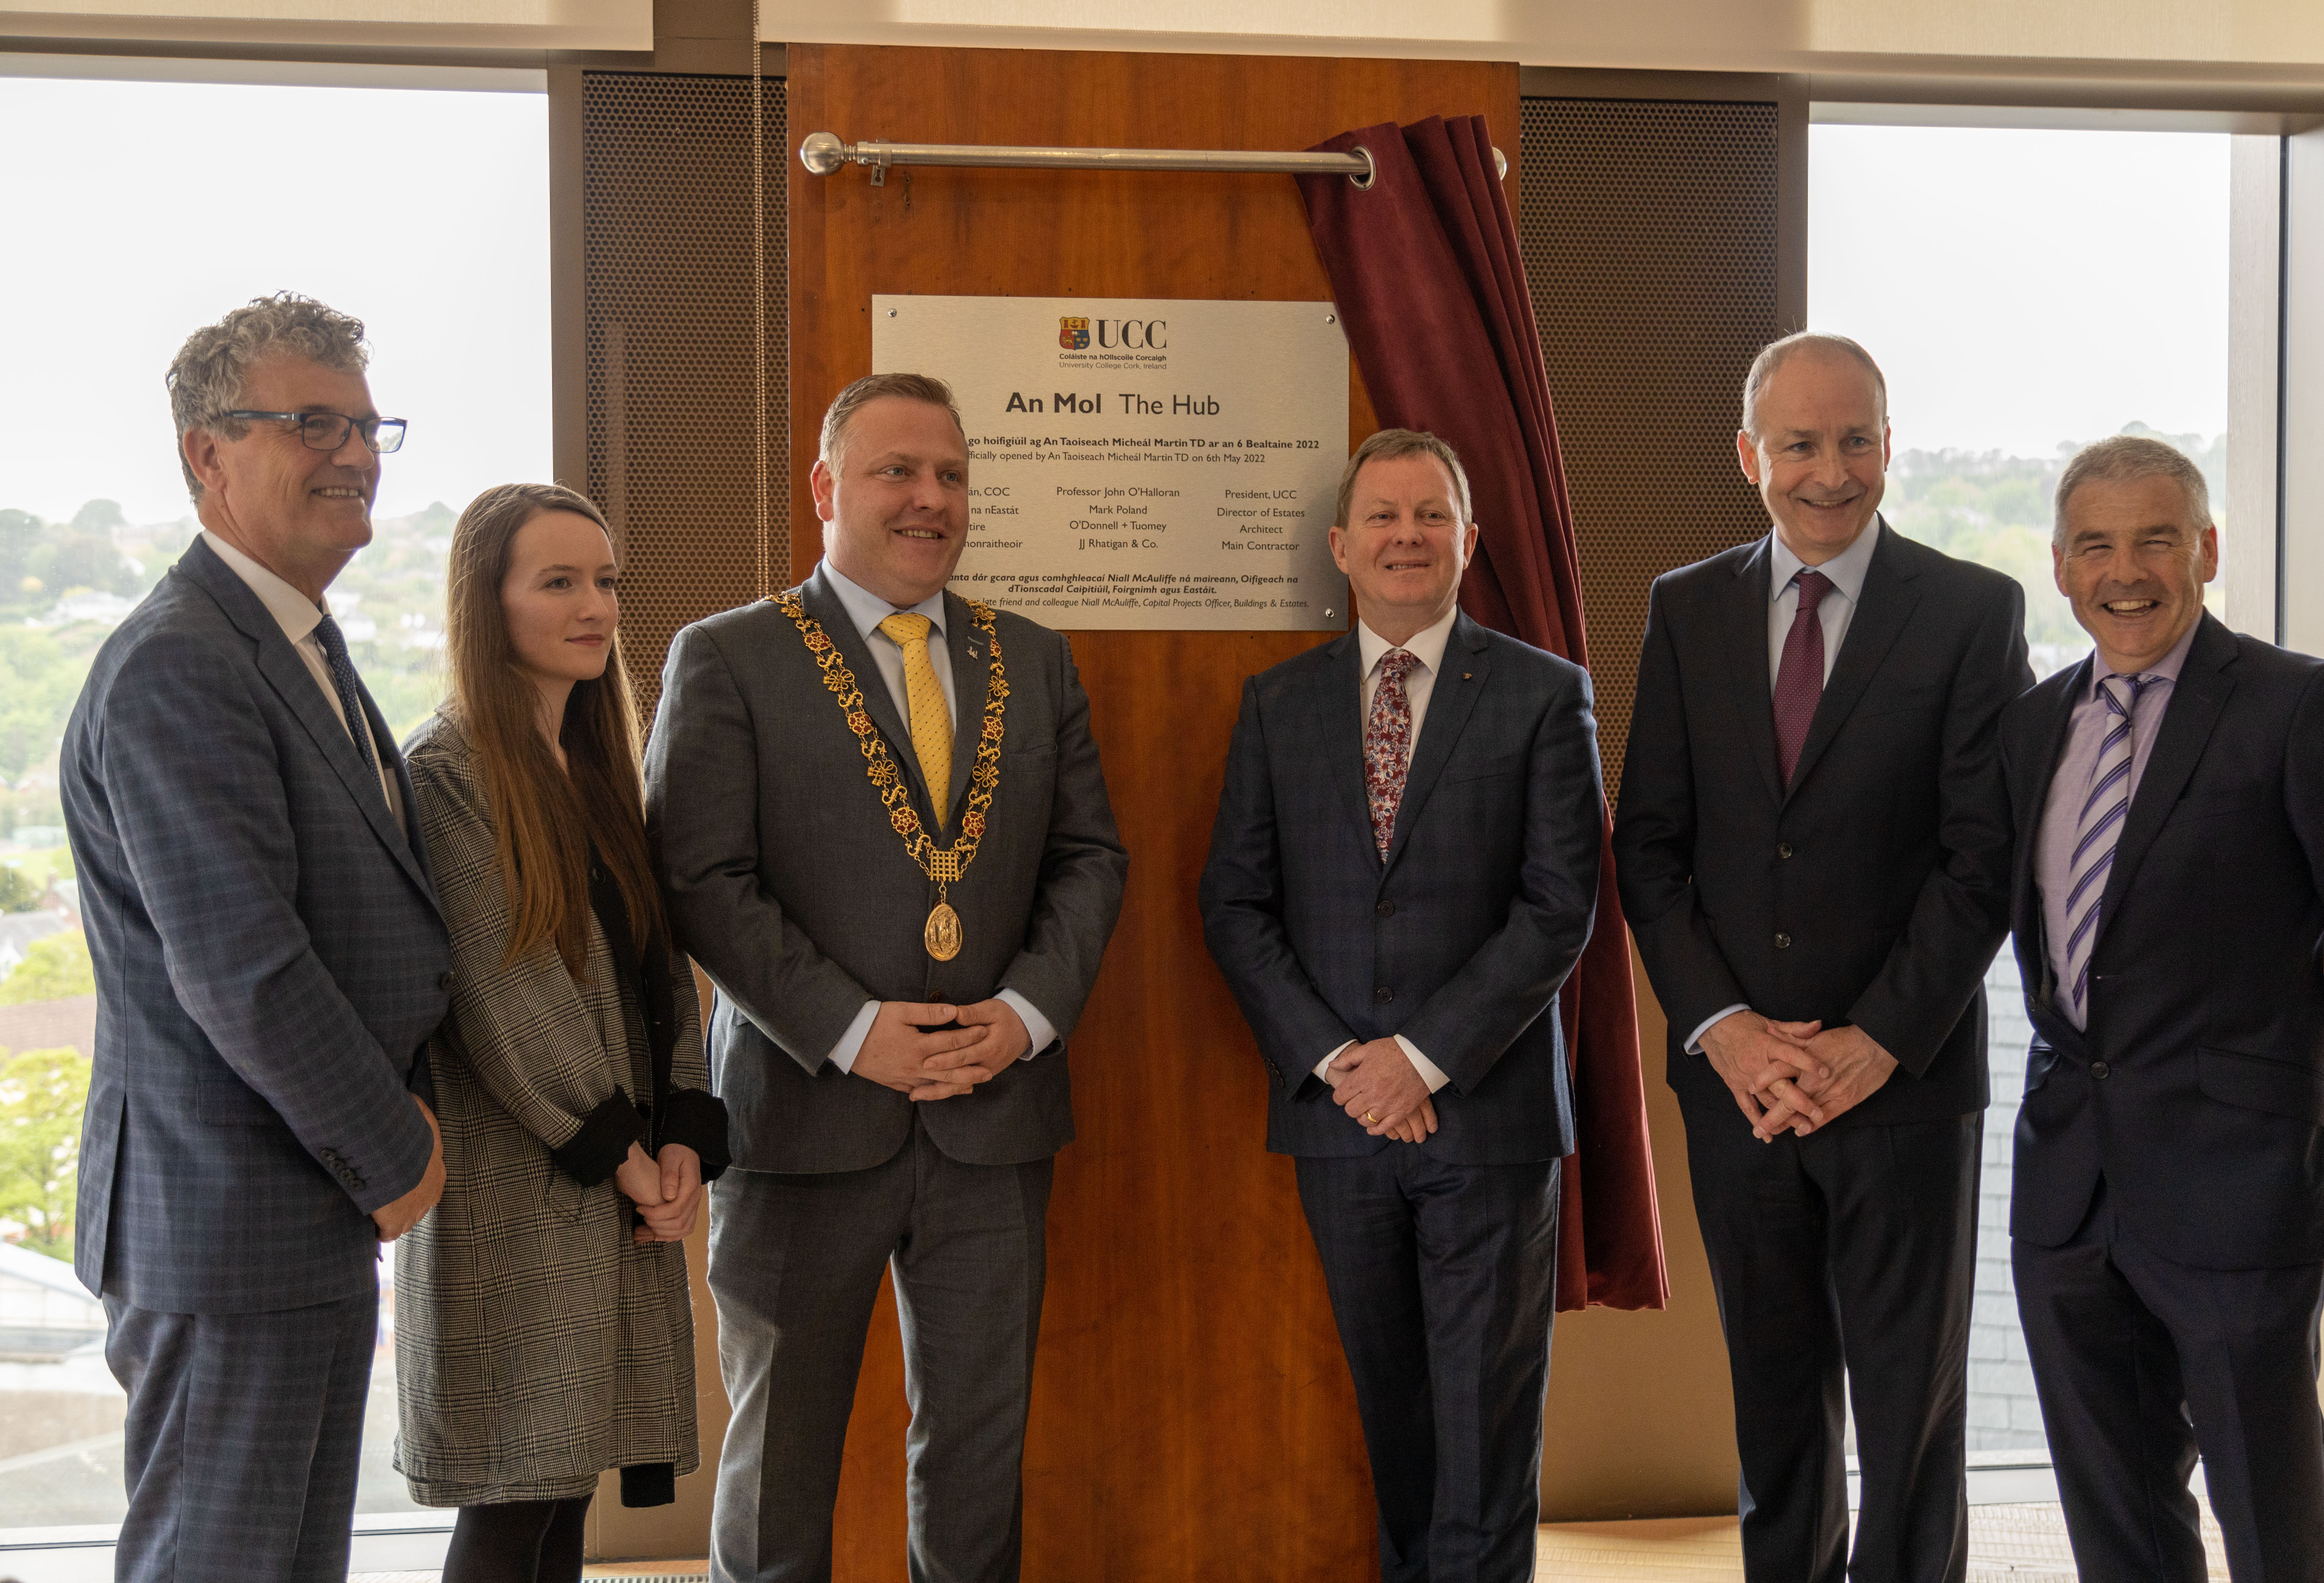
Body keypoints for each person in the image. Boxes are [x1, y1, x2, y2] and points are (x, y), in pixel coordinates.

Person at [647, 372, 1128, 1583]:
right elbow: (702, 880)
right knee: (781, 1466)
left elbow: (1090, 861)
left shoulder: (1036, 659)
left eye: (951, 475)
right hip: (805, 1121)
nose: (930, 499)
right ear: (826, 489)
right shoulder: (730, 657)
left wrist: (1024, 1018)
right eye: (897, 472)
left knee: (976, 1457)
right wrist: (853, 1029)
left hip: (994, 1116)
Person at [1998, 436, 2324, 1583]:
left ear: (2205, 548)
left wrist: (2316, 1066)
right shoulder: (2030, 729)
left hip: (2243, 1190)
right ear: (2060, 567)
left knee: (2271, 1529)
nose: (2128, 570)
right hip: (2069, 1194)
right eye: (2097, 545)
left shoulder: (2300, 707)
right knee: (2120, 1529)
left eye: (2157, 537)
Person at [1614, 331, 2033, 1582]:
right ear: (1750, 456)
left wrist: (1875, 1042)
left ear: (1890, 449)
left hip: (1902, 1088)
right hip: (1737, 1090)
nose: (1830, 470)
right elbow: (1649, 848)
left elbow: (1984, 861)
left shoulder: (1973, 610)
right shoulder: (1686, 610)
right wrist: (1727, 1033)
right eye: (1801, 443)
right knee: (1777, 1404)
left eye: (1856, 440)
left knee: (1913, 1418)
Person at [61, 293, 451, 1582]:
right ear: (206, 455)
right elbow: (245, 966)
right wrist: (396, 1157)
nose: (352, 454)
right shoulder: (182, 664)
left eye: (364, 425)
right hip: (226, 1218)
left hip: (296, 1211)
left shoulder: (298, 642)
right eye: (310, 423)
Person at [1199, 428, 1604, 1582]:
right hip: (1339, 1126)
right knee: (1396, 1424)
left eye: (1432, 515)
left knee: (1486, 1433)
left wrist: (1418, 1060)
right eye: (1383, 516)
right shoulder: (1277, 707)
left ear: (1469, 542)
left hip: (1488, 1121)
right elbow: (1233, 901)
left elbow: (1557, 908)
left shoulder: (1542, 696)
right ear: (1341, 545)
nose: (1406, 536)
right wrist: (1342, 1063)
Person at [396, 483, 731, 1583]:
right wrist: (627, 1159)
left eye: (604, 580)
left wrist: (685, 1128)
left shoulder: (592, 770)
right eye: (559, 582)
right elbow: (508, 1001)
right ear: (487, 605)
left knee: (556, 1512)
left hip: (614, 1182)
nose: (596, 606)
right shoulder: (449, 773)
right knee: (510, 1508)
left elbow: (660, 973)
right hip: (518, 1196)